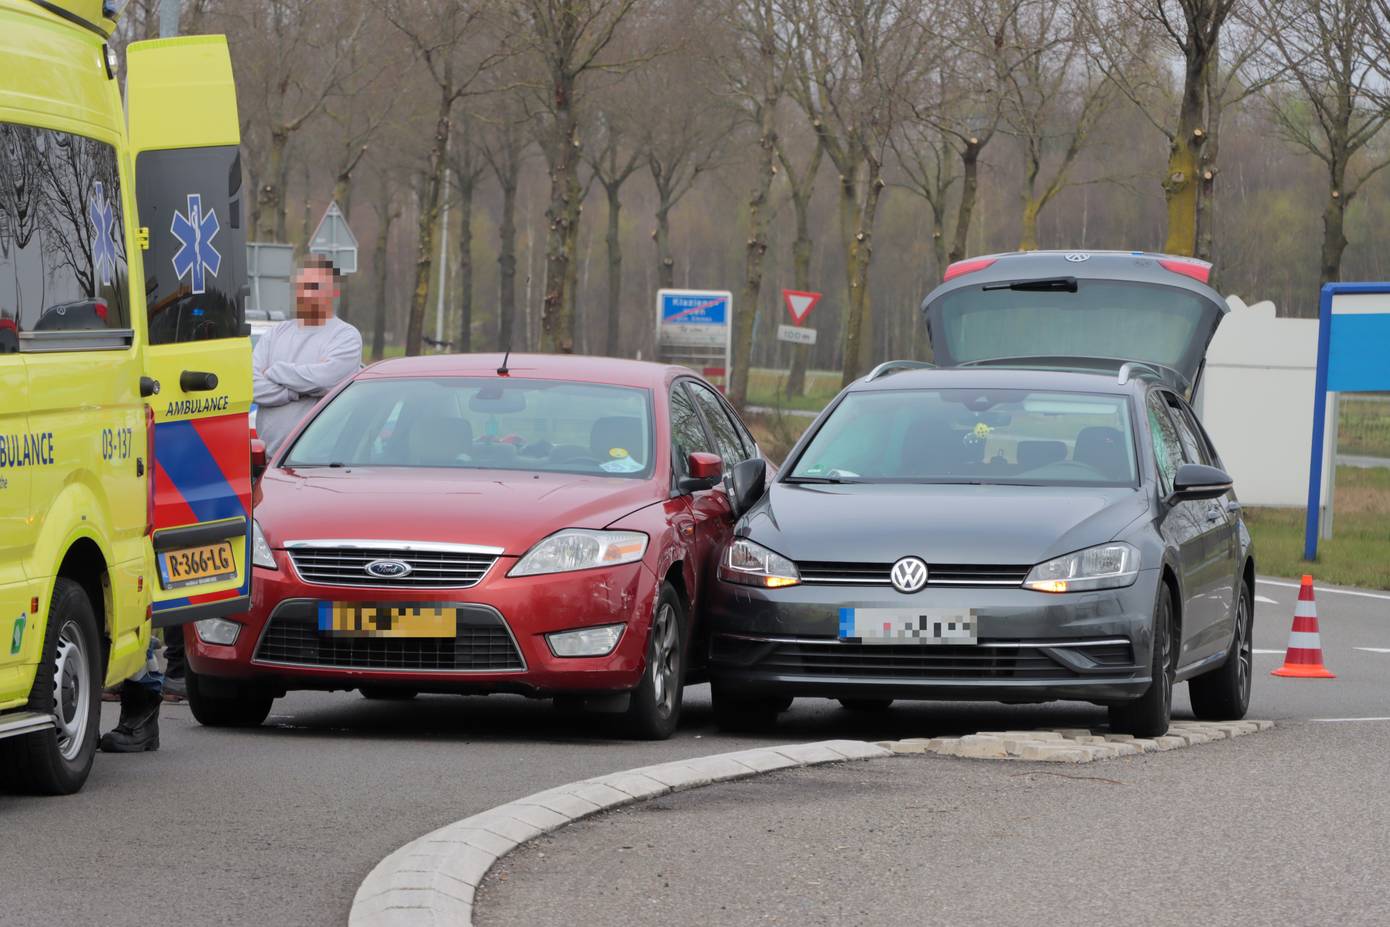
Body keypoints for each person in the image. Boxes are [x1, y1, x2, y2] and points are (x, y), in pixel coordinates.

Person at [251, 254, 363, 455]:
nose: (306, 294)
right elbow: (251, 386)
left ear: (334, 292)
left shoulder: (345, 336)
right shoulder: (275, 334)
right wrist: (297, 390)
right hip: (268, 461)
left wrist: (274, 371)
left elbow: (326, 382)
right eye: (302, 286)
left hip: (318, 464)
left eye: (315, 287)